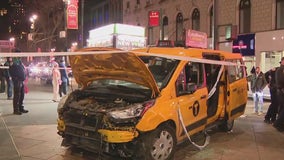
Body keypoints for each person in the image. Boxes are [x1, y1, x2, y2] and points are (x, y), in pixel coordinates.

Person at [273, 57, 284, 132]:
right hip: (281, 91)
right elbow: (280, 80)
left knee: (281, 108)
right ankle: (277, 123)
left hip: (280, 91)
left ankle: (280, 124)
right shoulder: (280, 70)